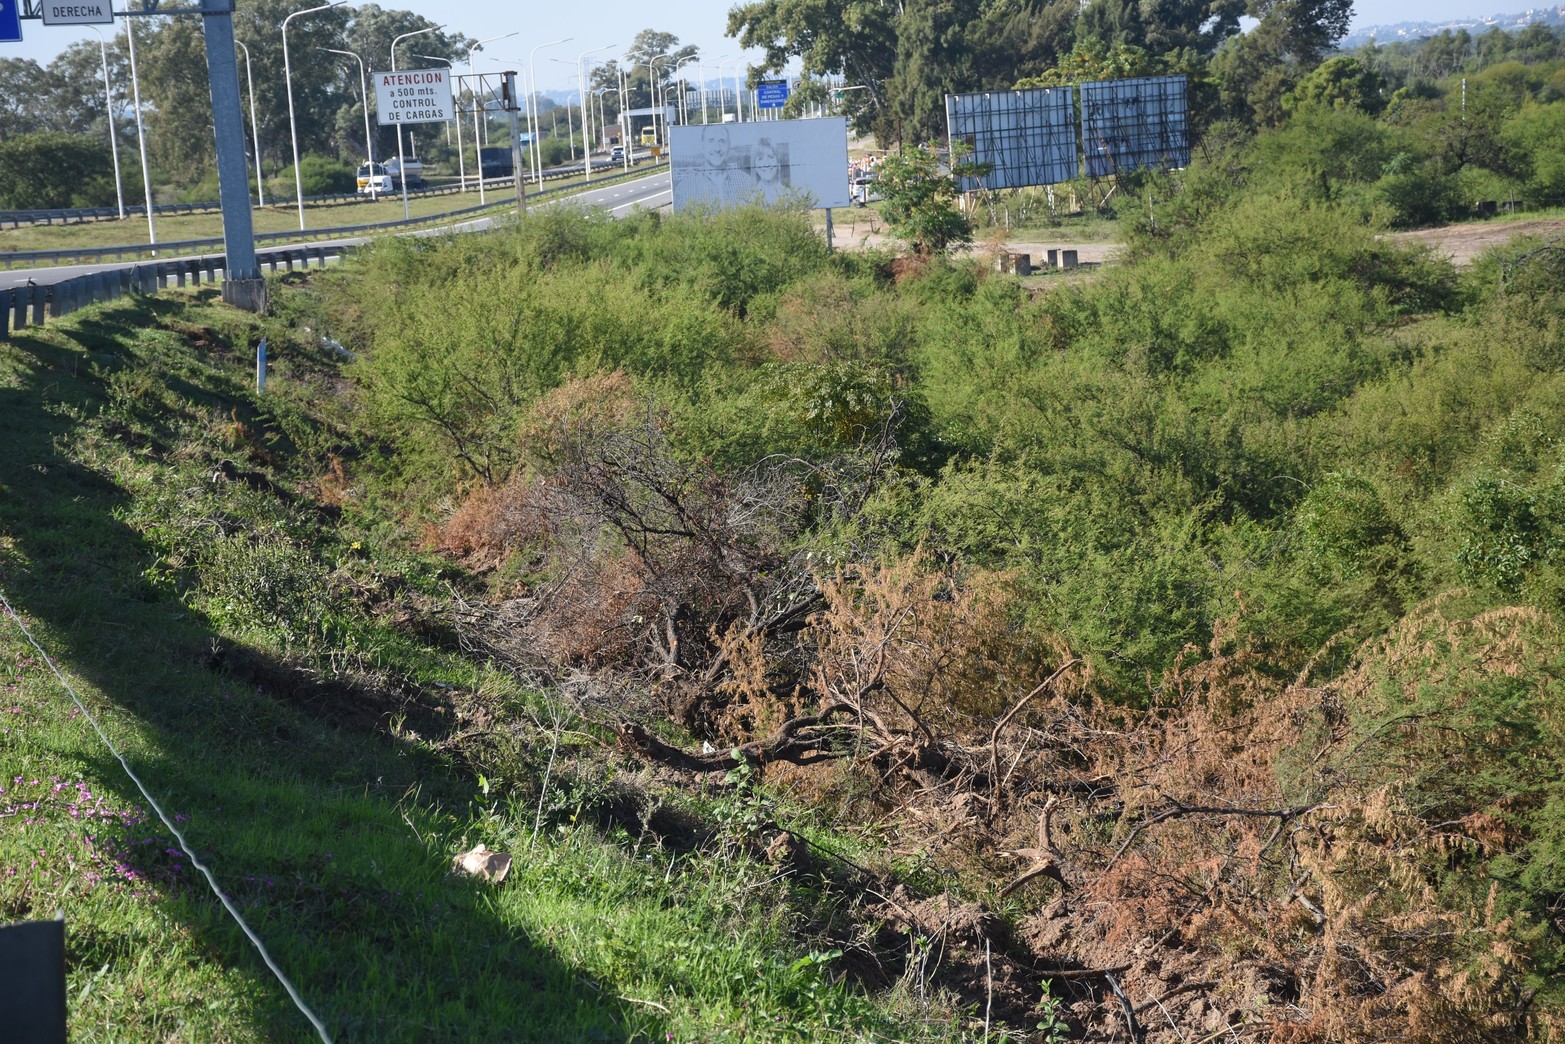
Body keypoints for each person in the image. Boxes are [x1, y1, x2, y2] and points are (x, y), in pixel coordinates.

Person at [750, 137, 788, 203]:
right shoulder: (750, 198)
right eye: (760, 158)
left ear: (778, 163)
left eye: (770, 157)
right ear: (755, 167)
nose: (766, 163)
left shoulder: (789, 195)